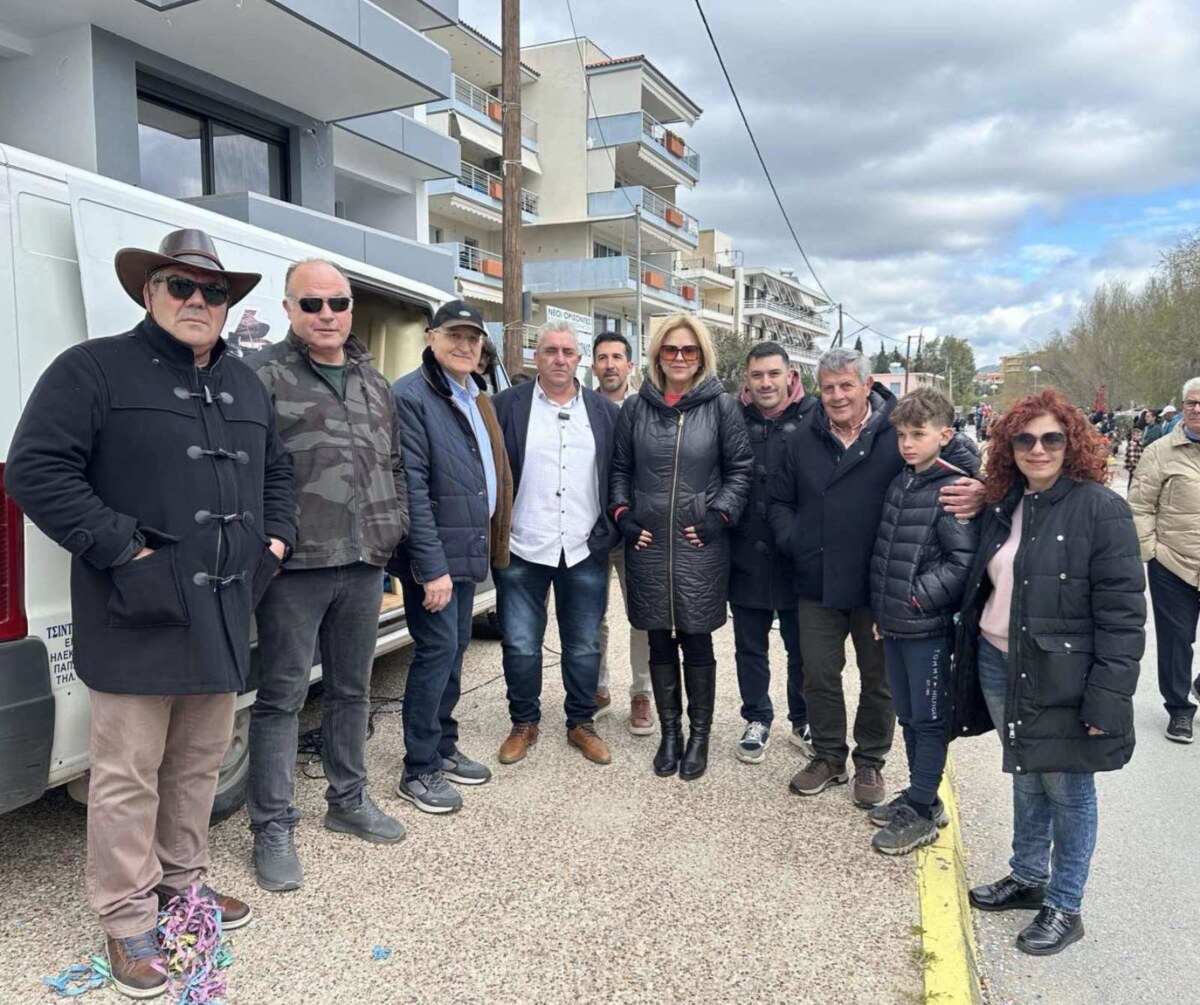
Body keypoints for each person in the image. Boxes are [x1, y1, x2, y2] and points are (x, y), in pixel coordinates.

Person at [4, 229, 295, 998]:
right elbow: (34, 468)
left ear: (228, 305)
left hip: (224, 609)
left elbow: (278, 471)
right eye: (180, 285)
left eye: (213, 290)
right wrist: (122, 547)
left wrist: (275, 541)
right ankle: (128, 913)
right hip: (133, 608)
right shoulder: (92, 368)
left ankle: (181, 883)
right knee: (128, 774)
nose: (198, 300)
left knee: (198, 763)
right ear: (149, 291)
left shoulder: (247, 384)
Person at [951, 388, 1144, 956]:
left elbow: (1123, 615)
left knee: (1068, 788)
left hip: (1062, 674)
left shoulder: (1101, 509)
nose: (1038, 449)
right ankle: (1028, 875)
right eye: (1025, 439)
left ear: (1072, 443)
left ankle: (1065, 905)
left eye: (1051, 438)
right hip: (998, 661)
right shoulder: (1007, 502)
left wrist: (1107, 698)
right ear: (1009, 447)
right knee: (1027, 773)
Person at [244, 259, 409, 893]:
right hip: (296, 568)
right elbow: (248, 470)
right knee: (282, 698)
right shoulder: (262, 376)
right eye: (311, 304)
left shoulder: (374, 382)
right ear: (288, 309)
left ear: (350, 308)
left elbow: (394, 464)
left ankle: (348, 800)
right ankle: (272, 825)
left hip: (364, 563)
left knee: (351, 691)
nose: (326, 315)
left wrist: (393, 527)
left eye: (337, 303)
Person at [769, 347, 983, 808]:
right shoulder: (802, 436)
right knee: (818, 674)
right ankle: (828, 755)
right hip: (817, 577)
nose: (837, 395)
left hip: (881, 582)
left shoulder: (897, 428)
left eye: (847, 385)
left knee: (878, 679)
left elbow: (958, 454)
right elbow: (779, 500)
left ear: (867, 385)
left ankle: (870, 760)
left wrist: (980, 487)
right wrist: (794, 540)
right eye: (828, 387)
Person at [609, 315, 752, 780]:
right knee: (657, 637)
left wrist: (719, 517)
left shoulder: (722, 407)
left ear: (702, 356)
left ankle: (699, 736)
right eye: (670, 349)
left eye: (689, 350)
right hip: (648, 545)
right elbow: (619, 469)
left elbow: (740, 469)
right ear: (657, 355)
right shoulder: (636, 408)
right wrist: (623, 516)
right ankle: (670, 734)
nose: (679, 358)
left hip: (700, 545)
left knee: (696, 638)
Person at [389, 300, 513, 813]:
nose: (464, 345)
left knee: (455, 649)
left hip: (466, 548)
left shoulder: (473, 394)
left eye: (473, 338)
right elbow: (412, 488)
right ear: (430, 337)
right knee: (436, 652)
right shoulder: (411, 396)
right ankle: (418, 768)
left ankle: (443, 745)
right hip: (435, 558)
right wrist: (432, 567)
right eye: (454, 336)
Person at [491, 322, 620, 765]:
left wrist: (611, 528)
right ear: (536, 356)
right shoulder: (506, 406)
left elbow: (618, 474)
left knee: (583, 645)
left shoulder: (605, 412)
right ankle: (523, 722)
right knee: (520, 644)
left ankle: (581, 723)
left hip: (583, 546)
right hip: (522, 546)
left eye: (567, 351)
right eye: (550, 351)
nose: (559, 359)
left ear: (579, 359)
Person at [867, 387, 979, 854]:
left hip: (927, 628)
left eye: (919, 434)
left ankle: (920, 810)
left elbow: (962, 563)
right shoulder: (903, 482)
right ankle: (923, 797)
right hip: (895, 623)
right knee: (909, 716)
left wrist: (914, 600)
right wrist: (884, 609)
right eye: (902, 435)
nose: (908, 443)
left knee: (930, 720)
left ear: (945, 435)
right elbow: (887, 551)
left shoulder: (953, 488)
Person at [730, 342, 816, 764]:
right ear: (747, 379)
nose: (765, 383)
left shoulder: (815, 415)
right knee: (750, 647)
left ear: (790, 375)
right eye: (757, 375)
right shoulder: (732, 416)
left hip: (798, 554)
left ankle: (804, 720)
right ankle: (757, 718)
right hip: (744, 552)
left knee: (802, 649)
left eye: (773, 374)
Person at [1128, 377, 1200, 743]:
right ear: (1182, 408)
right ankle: (1179, 709)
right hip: (1173, 563)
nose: (1197, 409)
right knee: (1177, 641)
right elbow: (1140, 504)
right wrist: (1151, 553)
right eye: (1191, 403)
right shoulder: (1160, 451)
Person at [591, 331, 654, 735]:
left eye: (617, 357)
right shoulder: (582, 406)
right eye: (602, 357)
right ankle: (597, 689)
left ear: (631, 365)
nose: (610, 364)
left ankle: (641, 693)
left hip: (638, 530)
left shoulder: (647, 408)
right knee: (591, 616)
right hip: (594, 529)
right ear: (593, 365)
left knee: (642, 616)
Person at [1123, 426, 1144, 491]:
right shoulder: (1132, 445)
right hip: (1133, 467)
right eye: (1136, 435)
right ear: (1132, 436)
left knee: (1136, 481)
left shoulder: (1140, 444)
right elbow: (1132, 458)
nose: (1138, 437)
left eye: (1139, 435)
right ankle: (1129, 492)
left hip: (1138, 466)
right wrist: (1135, 467)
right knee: (1132, 480)